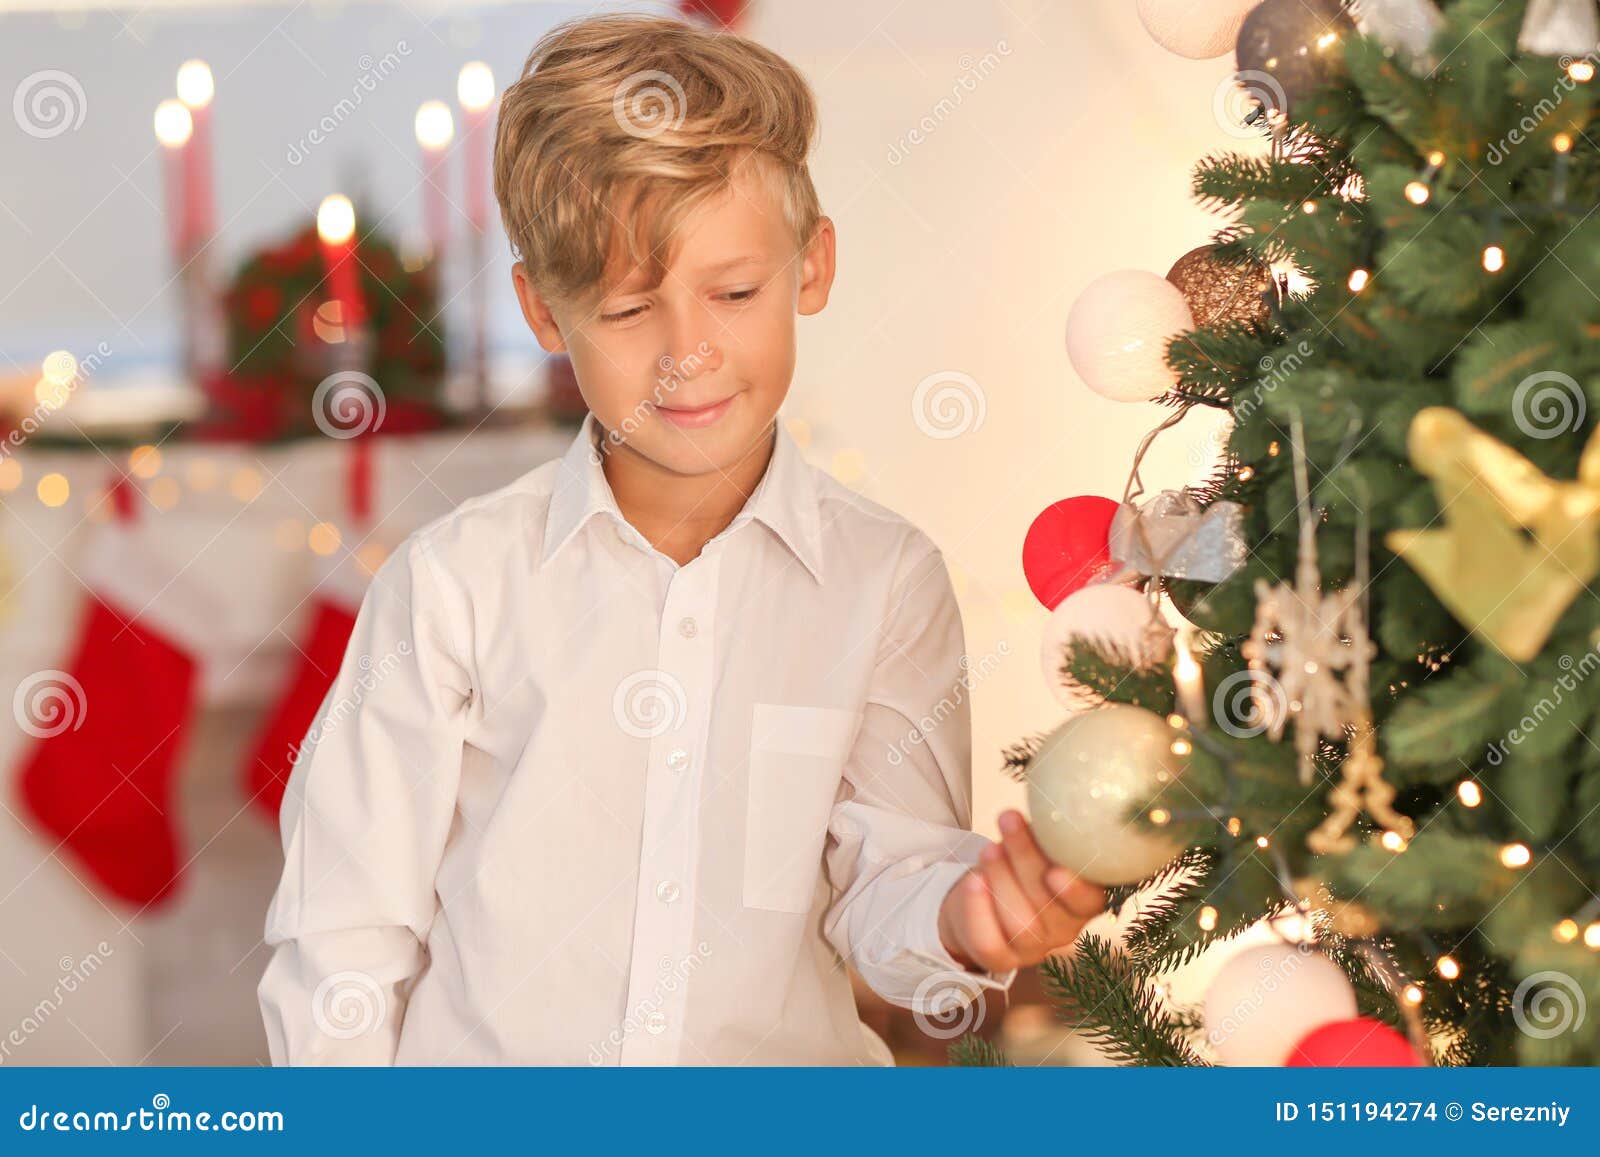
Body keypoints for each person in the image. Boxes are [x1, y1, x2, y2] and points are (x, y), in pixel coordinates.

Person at [258, 12, 1104, 1066]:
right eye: (627, 311)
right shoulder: (450, 588)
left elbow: (891, 884)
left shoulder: (887, 581)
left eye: (734, 292)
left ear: (812, 264)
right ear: (544, 310)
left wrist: (965, 920)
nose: (687, 353)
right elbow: (342, 940)